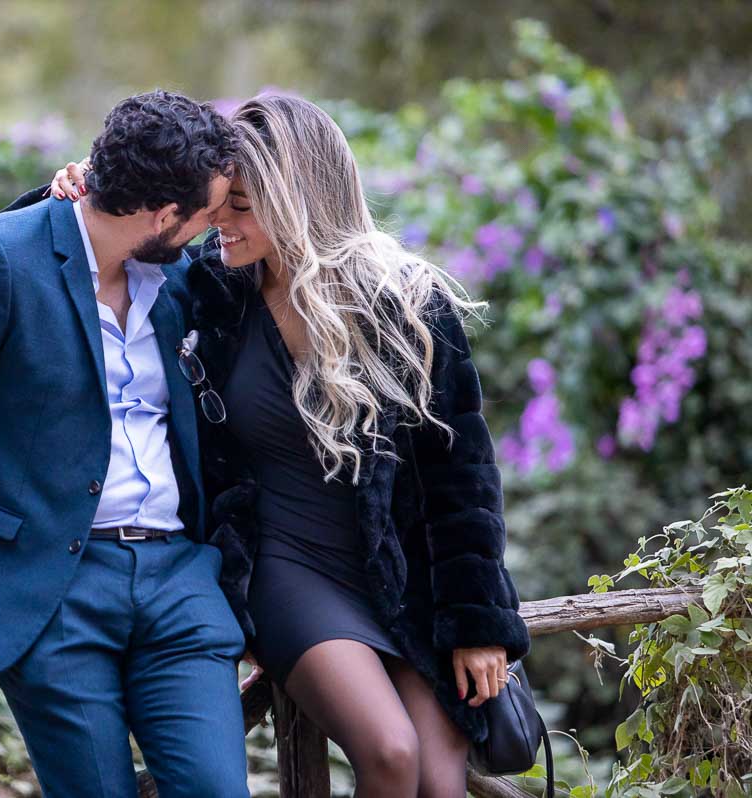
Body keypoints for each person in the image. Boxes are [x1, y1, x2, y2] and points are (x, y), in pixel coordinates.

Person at [41, 94, 531, 796]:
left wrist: (481, 621)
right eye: (217, 204)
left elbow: (462, 473)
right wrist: (84, 186)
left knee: (440, 776)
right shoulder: (208, 290)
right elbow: (98, 246)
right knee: (391, 754)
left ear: (299, 198)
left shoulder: (408, 304)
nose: (218, 223)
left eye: (240, 205)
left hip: (402, 574)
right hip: (283, 565)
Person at [0, 89, 252, 798]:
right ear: (164, 215)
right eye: (204, 216)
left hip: (179, 581)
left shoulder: (181, 281)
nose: (210, 230)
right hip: (49, 590)